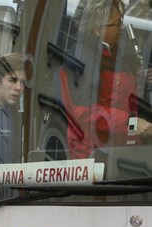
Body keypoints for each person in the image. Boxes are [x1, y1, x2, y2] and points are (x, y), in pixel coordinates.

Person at [59, 0, 152, 159]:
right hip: (93, 158)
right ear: (97, 29)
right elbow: (86, 113)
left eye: (121, 22)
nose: (121, 28)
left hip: (119, 153)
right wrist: (131, 124)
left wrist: (142, 79)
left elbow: (123, 98)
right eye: (116, 24)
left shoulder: (114, 54)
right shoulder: (79, 61)